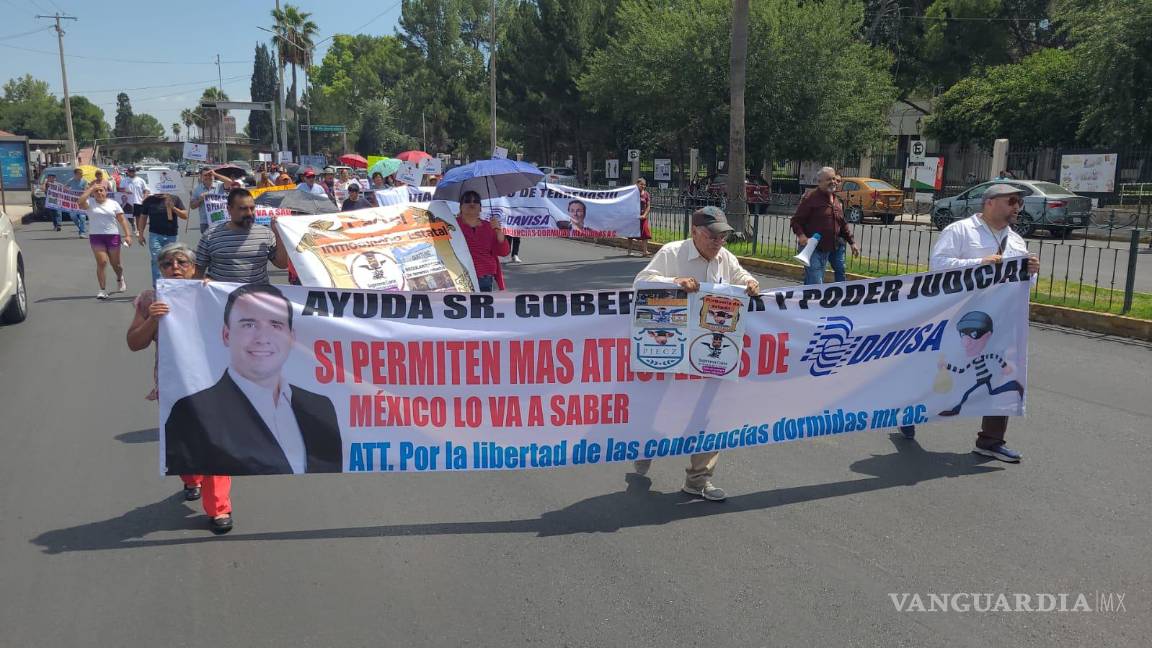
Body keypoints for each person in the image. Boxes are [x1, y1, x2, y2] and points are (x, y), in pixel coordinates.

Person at [898, 184, 1040, 462]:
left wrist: (1031, 272)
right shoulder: (960, 230)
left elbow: (1023, 283)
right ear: (989, 203)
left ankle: (990, 441)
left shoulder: (1016, 241)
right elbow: (938, 265)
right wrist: (979, 262)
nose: (1017, 208)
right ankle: (910, 408)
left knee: (1002, 374)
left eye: (1019, 203)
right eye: (1012, 201)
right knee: (939, 368)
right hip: (957, 318)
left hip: (998, 322)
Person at [632, 206, 760, 502]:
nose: (718, 243)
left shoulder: (725, 258)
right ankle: (644, 445)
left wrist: (750, 283)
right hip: (672, 350)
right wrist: (674, 283)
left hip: (711, 352)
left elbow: (741, 276)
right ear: (694, 233)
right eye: (712, 236)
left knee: (710, 414)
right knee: (659, 406)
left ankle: (698, 480)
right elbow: (641, 282)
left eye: (723, 237)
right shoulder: (672, 253)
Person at [164, 283, 343, 475]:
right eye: (249, 324)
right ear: (226, 334)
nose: (262, 338)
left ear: (291, 337)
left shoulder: (320, 407)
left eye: (276, 325)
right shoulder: (191, 412)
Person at [126, 242, 234, 534]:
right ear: (159, 269)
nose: (175, 268)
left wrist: (213, 297)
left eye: (182, 263)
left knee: (215, 443)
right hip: (175, 387)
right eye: (168, 264)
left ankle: (219, 508)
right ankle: (191, 478)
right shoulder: (149, 299)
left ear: (194, 268)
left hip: (212, 384)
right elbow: (134, 343)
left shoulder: (212, 293)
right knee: (185, 441)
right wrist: (152, 318)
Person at [195, 188, 289, 284]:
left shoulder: (266, 234)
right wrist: (202, 284)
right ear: (229, 209)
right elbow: (198, 271)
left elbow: (282, 264)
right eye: (243, 208)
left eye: (252, 208)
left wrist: (279, 234)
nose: (249, 213)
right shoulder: (210, 236)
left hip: (258, 296)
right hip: (222, 297)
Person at [790, 166, 860, 284]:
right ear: (819, 182)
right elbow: (796, 221)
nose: (832, 182)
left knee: (813, 283)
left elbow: (842, 224)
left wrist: (852, 242)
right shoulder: (810, 198)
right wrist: (801, 236)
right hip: (812, 249)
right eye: (828, 179)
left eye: (833, 179)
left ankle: (806, 300)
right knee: (816, 283)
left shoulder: (836, 200)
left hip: (827, 249)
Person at [77, 180, 134, 299]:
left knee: (116, 264)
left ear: (106, 192)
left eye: (101, 190)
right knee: (102, 262)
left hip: (112, 236)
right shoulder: (90, 203)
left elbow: (122, 220)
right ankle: (102, 290)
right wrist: (90, 189)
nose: (99, 193)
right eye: (96, 191)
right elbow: (79, 202)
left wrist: (128, 235)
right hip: (96, 236)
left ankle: (120, 278)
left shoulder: (113, 204)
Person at [457, 190, 510, 292]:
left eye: (476, 201)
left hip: (485, 278)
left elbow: (504, 252)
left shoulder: (489, 226)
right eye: (467, 201)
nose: (472, 203)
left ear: (480, 207)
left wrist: (498, 231)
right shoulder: (451, 226)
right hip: (460, 277)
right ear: (461, 207)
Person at [138, 192, 188, 286]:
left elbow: (185, 216)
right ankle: (159, 286)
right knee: (156, 260)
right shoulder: (149, 200)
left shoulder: (174, 198)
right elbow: (143, 217)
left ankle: (172, 284)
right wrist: (140, 234)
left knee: (172, 260)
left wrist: (173, 208)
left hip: (171, 235)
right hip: (155, 235)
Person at [189, 168, 231, 235]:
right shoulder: (196, 189)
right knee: (208, 244)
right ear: (201, 176)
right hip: (205, 222)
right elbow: (192, 206)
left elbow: (229, 182)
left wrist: (215, 174)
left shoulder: (219, 186)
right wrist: (200, 199)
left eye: (210, 175)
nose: (208, 177)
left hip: (221, 220)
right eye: (205, 175)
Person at [118, 167, 150, 239]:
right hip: (128, 202)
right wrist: (125, 190)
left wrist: (144, 198)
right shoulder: (124, 180)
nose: (132, 172)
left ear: (135, 172)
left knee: (138, 216)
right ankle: (133, 225)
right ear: (128, 172)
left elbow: (146, 190)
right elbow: (120, 189)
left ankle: (139, 230)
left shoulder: (140, 180)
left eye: (133, 171)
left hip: (138, 201)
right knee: (129, 216)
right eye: (130, 171)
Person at [627, 178, 652, 257]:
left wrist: (644, 215)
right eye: (641, 184)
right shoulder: (632, 194)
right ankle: (629, 252)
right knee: (631, 234)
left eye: (644, 185)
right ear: (637, 184)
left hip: (643, 216)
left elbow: (648, 206)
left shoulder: (646, 194)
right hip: (634, 217)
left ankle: (645, 251)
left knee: (645, 234)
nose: (643, 186)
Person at [63, 168, 89, 238]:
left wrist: (85, 190)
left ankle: (82, 232)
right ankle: (80, 227)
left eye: (81, 174)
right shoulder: (71, 181)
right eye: (79, 174)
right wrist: (68, 190)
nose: (81, 176)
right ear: (75, 174)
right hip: (73, 202)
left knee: (82, 217)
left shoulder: (84, 181)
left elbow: (86, 189)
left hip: (81, 202)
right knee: (73, 217)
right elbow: (65, 188)